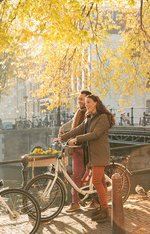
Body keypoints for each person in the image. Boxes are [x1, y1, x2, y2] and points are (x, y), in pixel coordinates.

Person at [59, 95, 115, 223]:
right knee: (100, 181)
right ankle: (103, 207)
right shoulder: (90, 117)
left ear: (96, 103)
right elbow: (78, 129)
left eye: (89, 102)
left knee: (96, 181)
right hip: (92, 153)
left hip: (100, 153)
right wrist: (62, 137)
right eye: (86, 103)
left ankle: (105, 210)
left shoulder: (103, 117)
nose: (86, 105)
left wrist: (77, 139)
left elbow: (95, 134)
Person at [53, 90, 93, 212]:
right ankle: (75, 203)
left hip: (87, 149)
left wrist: (74, 138)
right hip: (76, 149)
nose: (79, 101)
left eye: (82, 99)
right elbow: (73, 126)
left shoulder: (91, 113)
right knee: (76, 176)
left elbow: (87, 131)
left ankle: (95, 201)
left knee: (93, 174)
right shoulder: (79, 112)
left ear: (88, 101)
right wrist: (62, 133)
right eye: (79, 99)